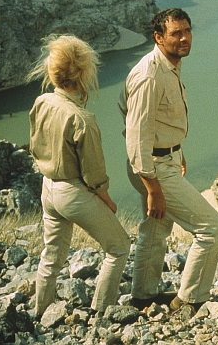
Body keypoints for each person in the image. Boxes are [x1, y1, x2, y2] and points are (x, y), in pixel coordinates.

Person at [119, 7, 218, 312]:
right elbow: (136, 135)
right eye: (176, 33)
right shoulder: (149, 75)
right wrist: (153, 188)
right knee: (210, 227)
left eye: (187, 30)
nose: (184, 38)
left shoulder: (168, 65)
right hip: (151, 167)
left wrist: (176, 148)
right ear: (158, 37)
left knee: (155, 229)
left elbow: (153, 119)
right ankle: (189, 300)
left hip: (161, 159)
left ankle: (143, 297)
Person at [28, 35, 131, 317]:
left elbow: (35, 144)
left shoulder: (42, 101)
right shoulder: (82, 119)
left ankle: (39, 312)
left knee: (52, 255)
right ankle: (102, 311)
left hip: (48, 188)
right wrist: (107, 199)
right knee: (119, 247)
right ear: (84, 73)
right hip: (73, 193)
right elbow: (94, 172)